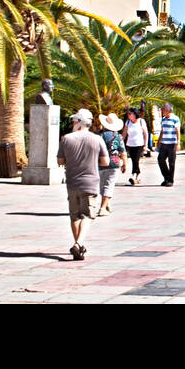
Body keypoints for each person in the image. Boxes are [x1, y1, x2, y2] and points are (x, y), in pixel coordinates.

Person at [56, 109, 110, 261]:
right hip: (91, 182)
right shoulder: (97, 139)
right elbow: (105, 162)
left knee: (74, 216)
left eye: (74, 121)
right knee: (87, 215)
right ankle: (79, 243)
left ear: (79, 122)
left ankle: (78, 246)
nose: (72, 123)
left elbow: (60, 161)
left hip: (72, 182)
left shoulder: (66, 139)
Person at [97, 113, 126, 216]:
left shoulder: (98, 135)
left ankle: (106, 203)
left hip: (100, 163)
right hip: (114, 163)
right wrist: (124, 164)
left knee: (102, 185)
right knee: (109, 185)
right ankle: (102, 208)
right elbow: (122, 152)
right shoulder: (118, 136)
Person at [157, 102, 181, 186]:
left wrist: (178, 143)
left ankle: (170, 180)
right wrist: (159, 141)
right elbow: (162, 131)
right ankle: (166, 177)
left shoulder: (175, 118)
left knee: (171, 162)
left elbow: (177, 131)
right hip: (164, 143)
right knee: (160, 160)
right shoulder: (163, 119)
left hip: (172, 144)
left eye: (163, 109)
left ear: (167, 110)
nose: (161, 110)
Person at [124, 109, 148, 185]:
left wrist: (145, 145)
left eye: (130, 113)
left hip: (139, 144)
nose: (128, 115)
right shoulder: (128, 122)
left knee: (136, 160)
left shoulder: (141, 121)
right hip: (130, 144)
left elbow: (145, 134)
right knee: (133, 160)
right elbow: (124, 134)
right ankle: (138, 175)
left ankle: (133, 174)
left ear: (135, 114)